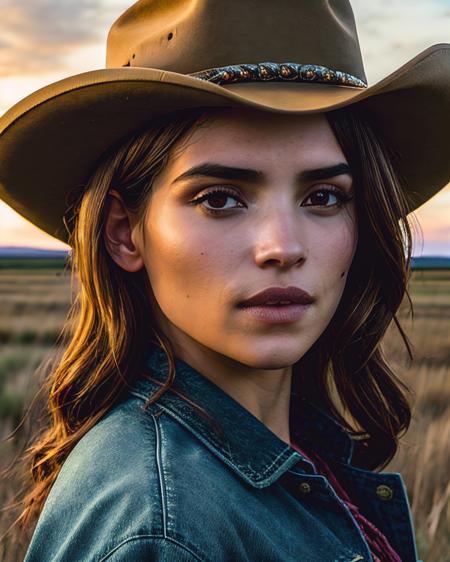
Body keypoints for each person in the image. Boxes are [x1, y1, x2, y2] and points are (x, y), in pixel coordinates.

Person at [0, 1, 448, 561]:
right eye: (220, 199)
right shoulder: (160, 530)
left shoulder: (293, 455)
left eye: (324, 197)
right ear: (125, 233)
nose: (282, 247)